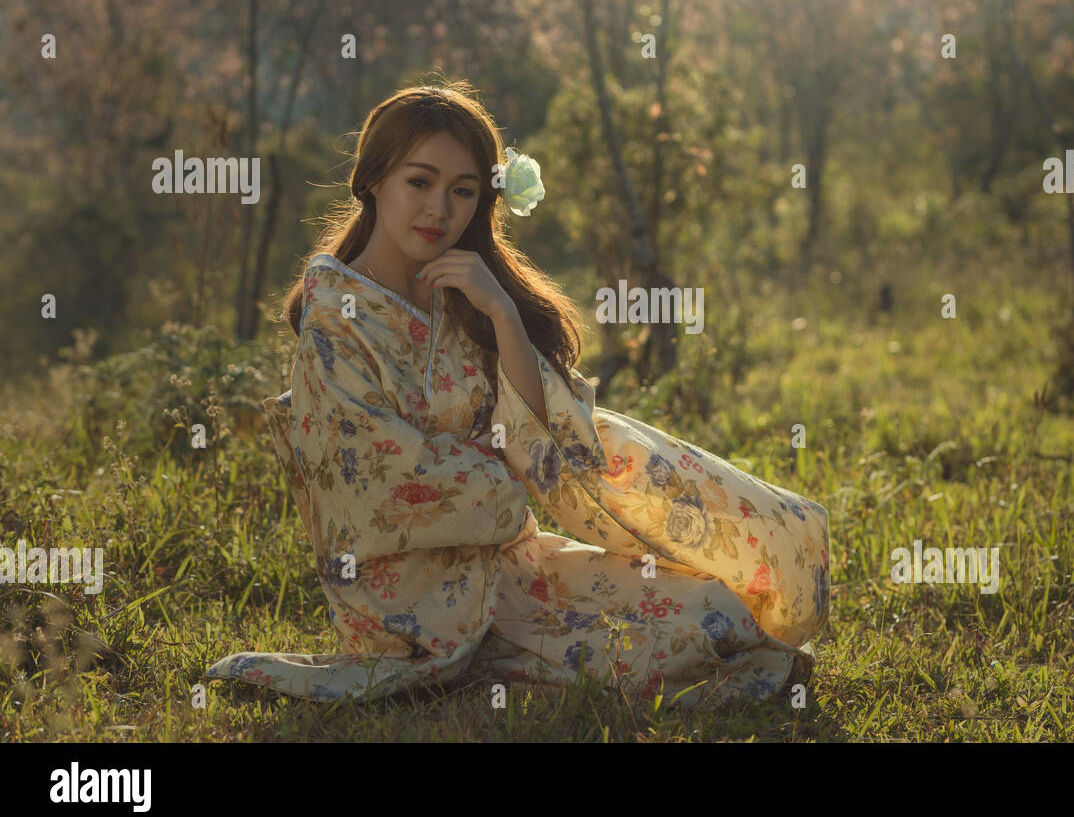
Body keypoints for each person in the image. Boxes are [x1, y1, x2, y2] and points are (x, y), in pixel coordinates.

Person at [206, 80, 830, 710]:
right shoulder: (334, 317)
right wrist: (498, 476)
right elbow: (372, 479)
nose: (438, 211)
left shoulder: (466, 294)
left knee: (718, 611)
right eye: (418, 182)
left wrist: (502, 313)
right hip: (414, 598)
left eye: (462, 191)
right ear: (372, 181)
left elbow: (538, 439)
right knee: (664, 646)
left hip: (515, 562)